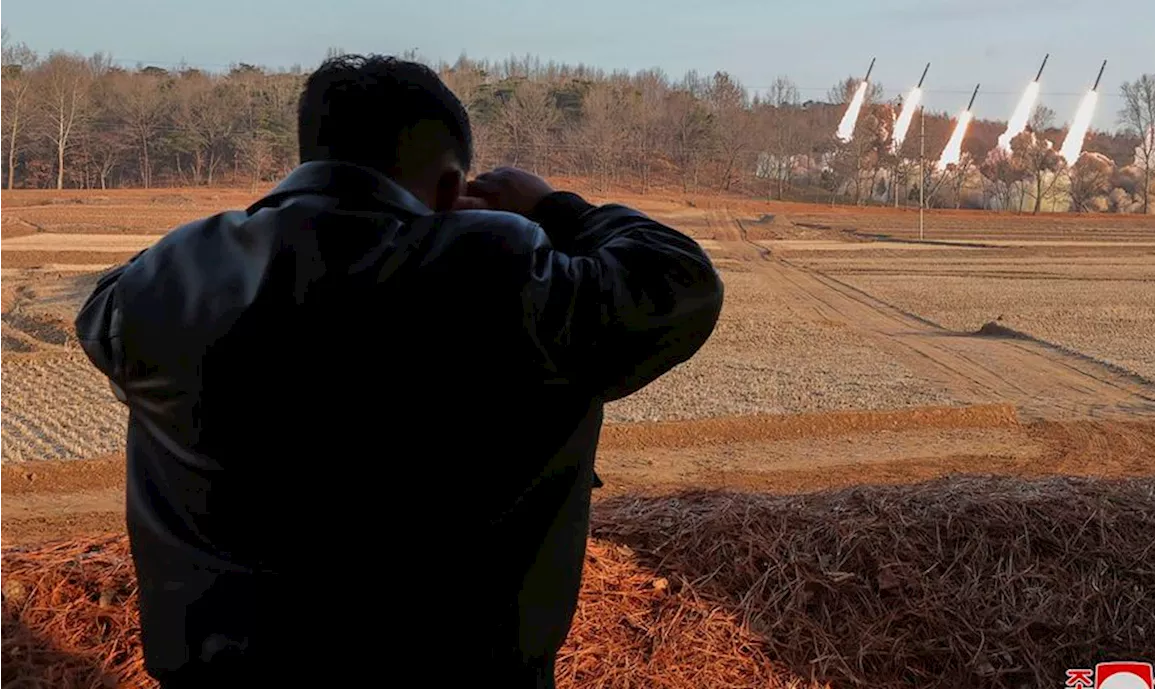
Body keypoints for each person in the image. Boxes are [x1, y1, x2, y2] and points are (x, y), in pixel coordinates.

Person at [75, 54, 723, 688]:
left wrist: (286, 213)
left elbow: (112, 305)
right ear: (450, 186)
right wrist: (553, 208)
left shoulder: (159, 285)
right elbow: (680, 281)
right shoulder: (503, 280)